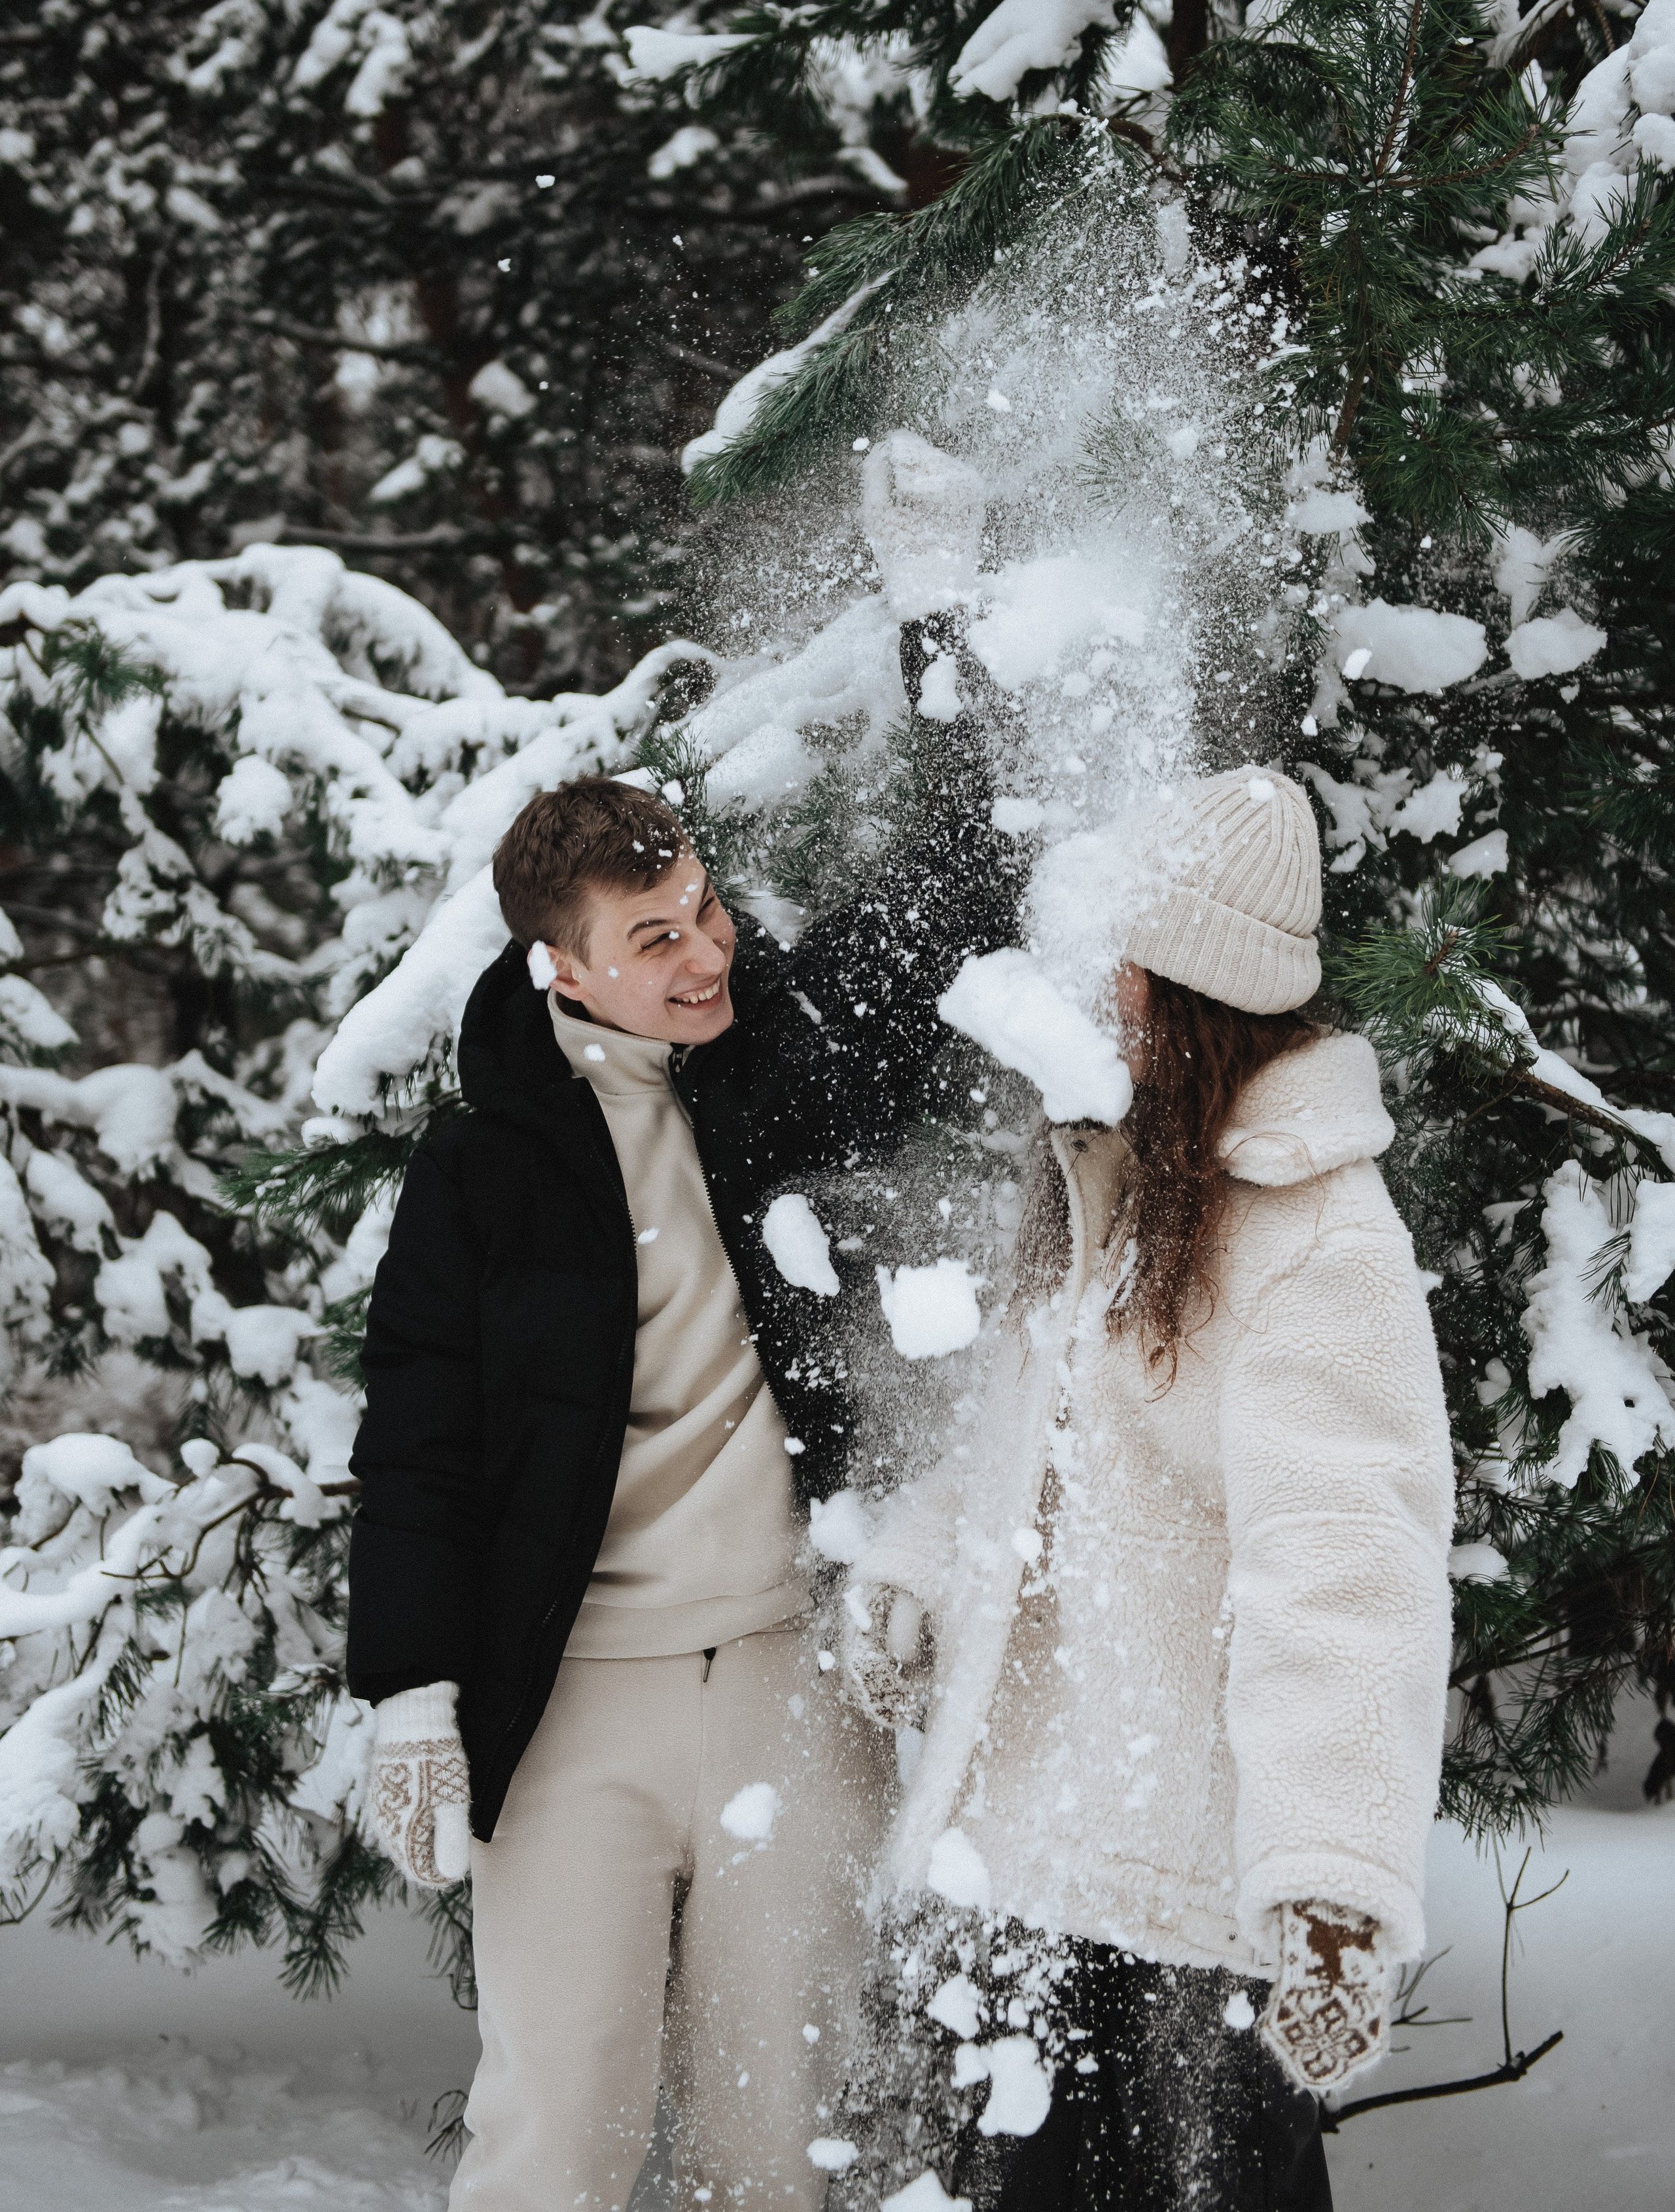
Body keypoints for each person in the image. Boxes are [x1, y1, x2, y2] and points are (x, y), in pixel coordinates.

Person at [345, 433, 1017, 2211]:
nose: (705, 953)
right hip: (566, 1710)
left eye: (705, 905)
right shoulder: (485, 1176)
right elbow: (413, 1440)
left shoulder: (777, 1059)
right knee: (550, 2141)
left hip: (789, 1694)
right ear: (563, 967)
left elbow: (965, 896)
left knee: (769, 2148)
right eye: (656, 937)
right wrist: (412, 1687)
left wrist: (937, 622)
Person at [843, 768, 1455, 2211]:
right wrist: (918, 1568)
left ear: (1195, 992)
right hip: (1032, 1856)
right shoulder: (1119, 1171)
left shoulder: (1318, 1238)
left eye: (1128, 960)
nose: (1100, 986)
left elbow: (1348, 1568)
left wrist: (1328, 1888)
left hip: (1187, 1878)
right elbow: (1038, 1439)